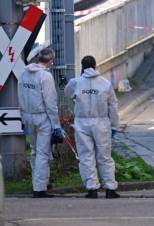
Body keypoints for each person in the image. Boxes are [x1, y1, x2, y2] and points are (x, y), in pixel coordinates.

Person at [64, 55, 120, 199]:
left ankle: (92, 188)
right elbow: (113, 105)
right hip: (101, 122)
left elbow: (67, 93)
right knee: (104, 156)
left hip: (82, 122)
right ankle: (110, 188)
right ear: (95, 65)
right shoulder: (105, 83)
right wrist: (114, 125)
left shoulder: (75, 82)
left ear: (82, 66)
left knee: (86, 156)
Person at [17, 47, 63, 198]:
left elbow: (20, 97)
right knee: (43, 153)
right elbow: (50, 102)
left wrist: (22, 120)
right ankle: (40, 188)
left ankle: (39, 182)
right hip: (42, 118)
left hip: (28, 118)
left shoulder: (24, 74)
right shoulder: (45, 76)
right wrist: (56, 126)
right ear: (50, 61)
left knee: (35, 151)